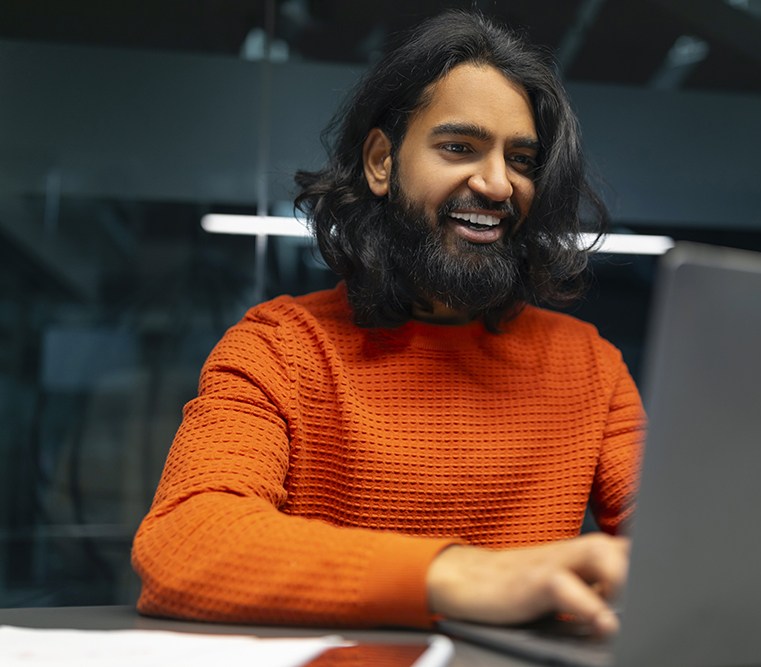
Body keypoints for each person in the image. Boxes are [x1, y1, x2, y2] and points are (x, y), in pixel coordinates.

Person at [131, 10, 644, 637]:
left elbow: (688, 545)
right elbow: (184, 543)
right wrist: (464, 579)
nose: (496, 183)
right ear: (381, 161)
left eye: (522, 159)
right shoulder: (278, 348)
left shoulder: (590, 364)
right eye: (459, 148)